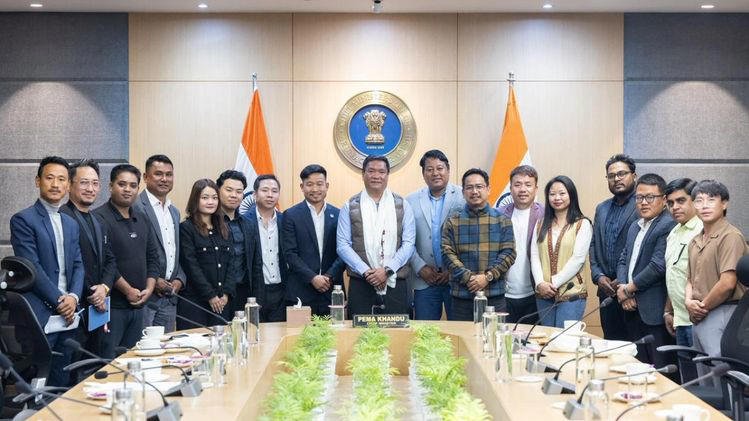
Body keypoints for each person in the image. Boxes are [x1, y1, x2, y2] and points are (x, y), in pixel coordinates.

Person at [10, 156, 84, 386]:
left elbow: (78, 265)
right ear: (37, 181)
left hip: (68, 315)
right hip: (39, 315)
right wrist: (61, 301)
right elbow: (31, 267)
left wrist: (73, 298)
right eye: (49, 178)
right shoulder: (23, 219)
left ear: (68, 185)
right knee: (38, 382)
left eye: (61, 179)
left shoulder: (71, 223)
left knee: (61, 381)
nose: (55, 184)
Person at [685, 180, 748, 386]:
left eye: (711, 199)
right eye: (699, 200)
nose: (704, 205)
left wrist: (701, 308)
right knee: (705, 380)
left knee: (724, 380)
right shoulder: (695, 240)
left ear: (724, 203)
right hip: (699, 315)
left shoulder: (731, 236)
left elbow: (727, 283)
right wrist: (688, 302)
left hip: (723, 312)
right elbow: (689, 279)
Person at [94, 164, 159, 359]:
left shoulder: (142, 218)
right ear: (110, 186)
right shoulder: (98, 218)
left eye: (133, 185)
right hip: (111, 307)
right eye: (122, 184)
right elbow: (106, 262)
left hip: (140, 304)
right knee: (109, 362)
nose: (127, 189)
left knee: (133, 361)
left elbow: (153, 256)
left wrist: (149, 288)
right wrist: (128, 290)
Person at [337, 155, 416, 316]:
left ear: (387, 175)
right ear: (363, 174)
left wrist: (387, 271)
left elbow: (409, 244)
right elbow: (343, 245)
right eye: (371, 171)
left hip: (396, 282)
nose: (376, 176)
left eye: (381, 171)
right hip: (362, 283)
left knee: (396, 330)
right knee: (360, 330)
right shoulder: (350, 206)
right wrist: (367, 272)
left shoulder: (402, 204)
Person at [616, 173, 676, 366]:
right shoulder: (635, 226)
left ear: (664, 200)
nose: (643, 202)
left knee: (660, 368)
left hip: (654, 310)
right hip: (630, 308)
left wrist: (628, 289)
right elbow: (623, 259)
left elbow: (658, 266)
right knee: (638, 366)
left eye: (650, 197)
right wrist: (623, 289)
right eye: (639, 197)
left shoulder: (668, 225)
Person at [60, 159, 119, 358]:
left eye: (95, 183)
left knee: (95, 365)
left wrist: (104, 288)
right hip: (72, 308)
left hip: (97, 308)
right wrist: (94, 293)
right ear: (70, 185)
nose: (90, 188)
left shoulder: (99, 220)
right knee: (71, 367)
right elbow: (70, 264)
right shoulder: (62, 217)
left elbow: (111, 260)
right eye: (84, 182)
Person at [442, 168, 516, 321]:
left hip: (494, 295)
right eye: (469, 187)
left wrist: (487, 277)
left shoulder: (502, 220)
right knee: (459, 336)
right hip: (461, 297)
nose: (474, 191)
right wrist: (469, 278)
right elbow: (447, 253)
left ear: (488, 189)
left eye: (479, 186)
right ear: (463, 192)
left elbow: (509, 253)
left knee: (494, 335)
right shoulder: (452, 221)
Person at [406, 150, 464, 320]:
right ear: (423, 174)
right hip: (424, 280)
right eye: (429, 169)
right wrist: (420, 267)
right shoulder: (410, 201)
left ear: (448, 170)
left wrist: (453, 270)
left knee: (460, 329)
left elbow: (472, 238)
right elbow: (405, 240)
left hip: (457, 279)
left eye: (440, 168)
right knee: (424, 330)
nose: (435, 173)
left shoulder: (464, 196)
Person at [282, 165, 345, 316]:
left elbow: (344, 251)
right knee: (300, 331)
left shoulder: (339, 214)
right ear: (302, 187)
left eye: (319, 184)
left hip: (332, 290)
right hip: (301, 290)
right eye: (309, 184)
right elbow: (290, 253)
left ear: (327, 186)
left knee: (334, 331)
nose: (315, 189)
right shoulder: (290, 215)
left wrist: (328, 277)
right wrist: (312, 278)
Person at [133, 154, 186, 333]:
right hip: (145, 295)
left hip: (170, 298)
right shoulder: (135, 207)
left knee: (166, 347)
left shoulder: (174, 211)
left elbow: (176, 252)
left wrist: (179, 279)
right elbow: (132, 254)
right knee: (143, 347)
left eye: (169, 174)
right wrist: (153, 280)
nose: (164, 179)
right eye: (158, 174)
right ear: (145, 177)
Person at [531, 176, 592, 327]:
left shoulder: (582, 224)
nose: (557, 198)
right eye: (552, 194)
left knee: (565, 338)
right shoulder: (540, 224)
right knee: (546, 338)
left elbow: (578, 259)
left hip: (571, 294)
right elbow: (534, 255)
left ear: (571, 195)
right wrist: (540, 284)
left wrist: (553, 283)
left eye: (562, 193)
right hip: (543, 293)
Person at [590, 154, 639, 340]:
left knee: (635, 348)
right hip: (606, 292)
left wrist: (623, 279)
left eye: (621, 174)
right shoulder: (601, 208)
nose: (616, 179)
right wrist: (598, 276)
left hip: (632, 291)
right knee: (610, 345)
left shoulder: (642, 205)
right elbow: (594, 245)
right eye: (611, 176)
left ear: (634, 175)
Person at [177, 179, 238, 328]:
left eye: (214, 198)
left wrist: (226, 293)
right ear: (195, 200)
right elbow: (191, 266)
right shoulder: (187, 228)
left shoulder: (224, 228)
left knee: (221, 341)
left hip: (222, 302)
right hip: (195, 302)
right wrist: (210, 295)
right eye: (205, 198)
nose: (210, 202)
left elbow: (231, 263)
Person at [663, 178, 701, 381]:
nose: (675, 207)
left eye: (681, 201)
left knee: (706, 382)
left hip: (699, 320)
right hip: (680, 320)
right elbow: (674, 275)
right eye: (670, 203)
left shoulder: (702, 230)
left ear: (694, 200)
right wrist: (668, 310)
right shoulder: (674, 231)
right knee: (688, 381)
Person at [499, 165, 544, 324]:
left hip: (535, 293)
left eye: (528, 184)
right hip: (504, 293)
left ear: (536, 189)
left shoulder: (546, 214)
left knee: (533, 338)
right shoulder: (498, 214)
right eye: (517, 184)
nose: (523, 189)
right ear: (510, 188)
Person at [216, 170, 263, 315]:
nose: (234, 195)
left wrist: (257, 296)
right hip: (218, 295)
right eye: (229, 190)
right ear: (218, 190)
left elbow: (256, 262)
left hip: (244, 292)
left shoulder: (249, 224)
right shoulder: (209, 222)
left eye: (239, 191)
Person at [242, 174, 287, 322]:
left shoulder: (285, 220)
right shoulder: (243, 221)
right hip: (254, 291)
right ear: (255, 194)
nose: (270, 195)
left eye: (274, 191)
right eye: (265, 190)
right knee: (254, 332)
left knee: (280, 332)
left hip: (281, 290)